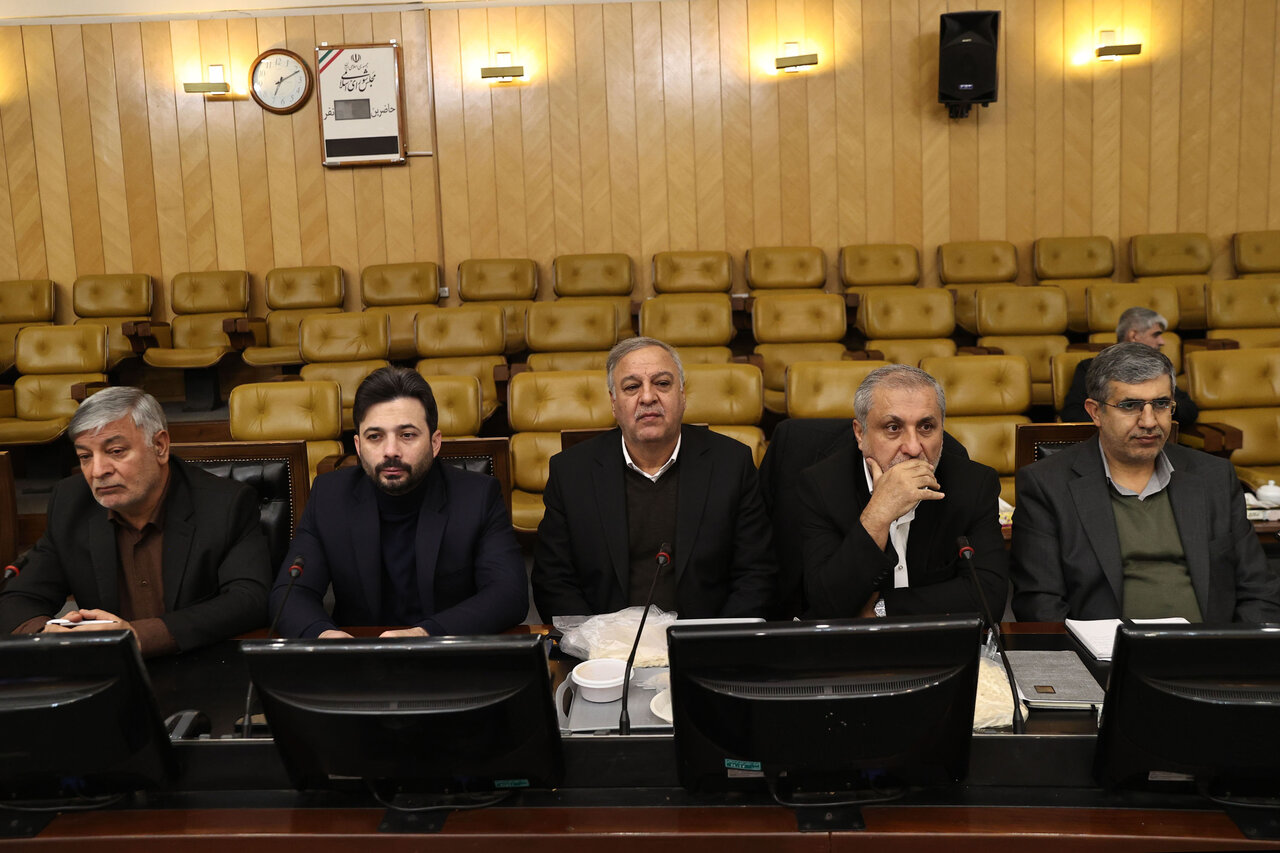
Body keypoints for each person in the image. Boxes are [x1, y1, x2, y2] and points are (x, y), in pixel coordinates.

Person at [1012, 342, 1280, 622]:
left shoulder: (1214, 477)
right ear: (1095, 412)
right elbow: (1039, 606)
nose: (1149, 421)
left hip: (1209, 646)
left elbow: (1259, 591)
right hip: (1103, 649)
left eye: (1161, 404)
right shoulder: (1047, 485)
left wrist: (1234, 647)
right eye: (1130, 406)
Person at [0, 387, 272, 656]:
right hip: (107, 670)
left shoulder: (224, 504)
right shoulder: (71, 504)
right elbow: (19, 597)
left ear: (160, 446)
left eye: (116, 451)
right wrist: (46, 634)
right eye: (85, 456)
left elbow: (250, 599)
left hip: (199, 663)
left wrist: (138, 636)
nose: (98, 471)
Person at [271, 367, 526, 638]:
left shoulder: (477, 496)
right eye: (375, 437)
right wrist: (324, 637)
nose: (391, 451)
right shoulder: (330, 496)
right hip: (359, 654)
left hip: (446, 652)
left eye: (407, 435)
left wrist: (426, 634)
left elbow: (509, 594)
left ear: (435, 442)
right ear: (358, 446)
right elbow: (289, 594)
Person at [532, 337, 776, 620]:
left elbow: (757, 574)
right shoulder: (571, 473)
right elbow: (553, 580)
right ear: (613, 402)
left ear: (682, 395)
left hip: (701, 640)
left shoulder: (731, 464)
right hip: (604, 644)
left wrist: (712, 640)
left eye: (662, 383)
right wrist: (596, 641)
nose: (648, 397)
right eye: (632, 387)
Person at [796, 364, 1008, 620]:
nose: (913, 447)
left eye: (926, 427)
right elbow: (825, 604)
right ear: (860, 434)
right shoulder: (822, 486)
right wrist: (878, 514)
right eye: (893, 428)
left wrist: (883, 608)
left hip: (939, 640)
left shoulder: (974, 484)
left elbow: (988, 598)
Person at [1061, 306, 1198, 427]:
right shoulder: (1091, 367)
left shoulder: (1159, 371)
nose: (1162, 342)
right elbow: (1072, 414)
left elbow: (1190, 410)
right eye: (1156, 335)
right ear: (1134, 336)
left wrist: (1162, 406)